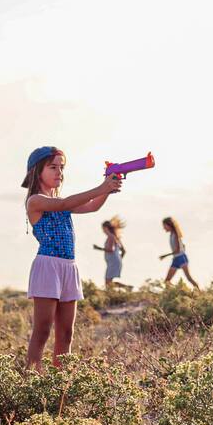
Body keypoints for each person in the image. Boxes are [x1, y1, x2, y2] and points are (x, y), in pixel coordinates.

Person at [23, 146, 121, 371]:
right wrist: (100, 187)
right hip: (48, 266)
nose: (59, 172)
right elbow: (65, 204)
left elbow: (93, 206)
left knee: (66, 333)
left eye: (62, 168)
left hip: (69, 268)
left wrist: (108, 187)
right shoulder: (35, 201)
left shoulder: (61, 201)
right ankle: (29, 384)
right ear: (37, 171)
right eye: (53, 167)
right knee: (43, 330)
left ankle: (60, 385)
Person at [159, 216, 200, 288]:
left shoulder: (175, 234)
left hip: (181, 258)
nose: (164, 228)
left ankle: (200, 293)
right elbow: (183, 246)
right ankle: (178, 291)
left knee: (189, 278)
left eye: (164, 226)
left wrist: (165, 256)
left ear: (169, 225)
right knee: (167, 281)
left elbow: (177, 250)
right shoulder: (171, 235)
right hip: (176, 259)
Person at [92, 215, 129, 289]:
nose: (103, 231)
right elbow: (124, 251)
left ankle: (127, 287)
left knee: (108, 283)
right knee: (108, 283)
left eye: (103, 229)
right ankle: (126, 288)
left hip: (113, 262)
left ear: (106, 228)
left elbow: (110, 250)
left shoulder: (111, 237)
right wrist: (118, 260)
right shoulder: (115, 237)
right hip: (114, 261)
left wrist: (98, 248)